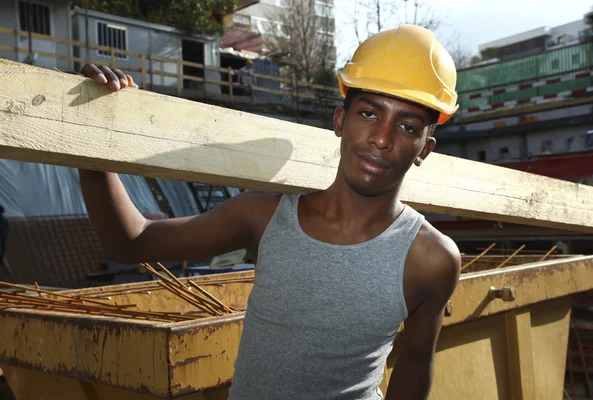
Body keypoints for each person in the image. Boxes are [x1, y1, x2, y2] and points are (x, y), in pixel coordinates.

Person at [77, 24, 461, 400]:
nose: (382, 138)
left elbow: (414, 361)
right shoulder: (263, 217)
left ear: (425, 149)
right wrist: (93, 140)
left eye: (408, 126)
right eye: (369, 114)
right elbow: (131, 241)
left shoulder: (431, 258)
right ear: (340, 121)